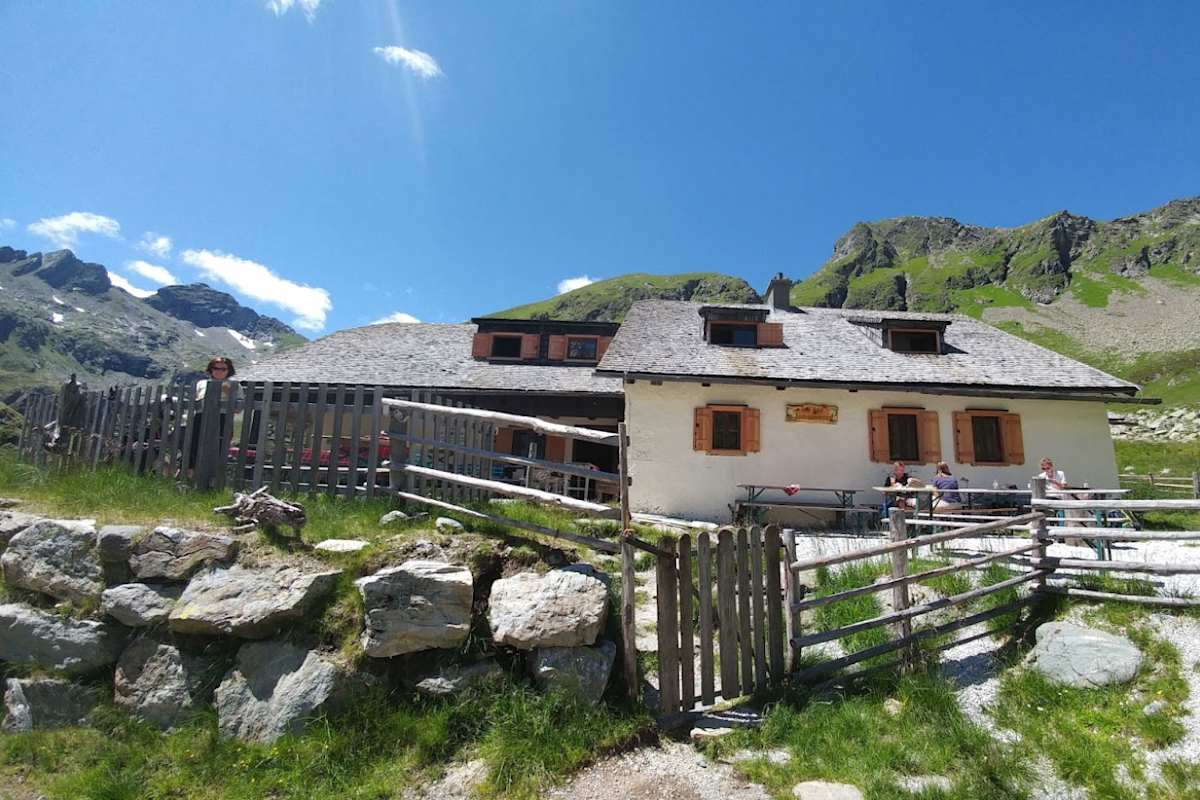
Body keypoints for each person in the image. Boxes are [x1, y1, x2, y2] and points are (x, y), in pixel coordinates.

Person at [185, 356, 240, 478]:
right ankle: (190, 477)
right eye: (216, 368)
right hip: (200, 417)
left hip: (223, 419)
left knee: (219, 449)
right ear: (211, 369)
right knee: (194, 447)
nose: (219, 371)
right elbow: (193, 402)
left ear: (229, 370)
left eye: (223, 369)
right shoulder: (201, 383)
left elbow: (238, 408)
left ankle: (213, 479)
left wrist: (227, 392)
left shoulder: (235, 385)